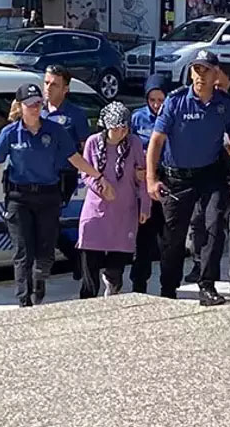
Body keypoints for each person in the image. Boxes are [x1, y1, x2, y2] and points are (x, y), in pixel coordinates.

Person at [0, 84, 114, 308]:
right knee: (23, 252)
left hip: (48, 196)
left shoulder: (54, 131)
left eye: (38, 104)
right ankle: (24, 301)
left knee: (46, 250)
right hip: (18, 197)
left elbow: (75, 159)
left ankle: (39, 279)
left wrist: (99, 177)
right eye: (30, 105)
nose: (34, 109)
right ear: (20, 107)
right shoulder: (10, 133)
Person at [145, 50, 230, 306]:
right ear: (190, 73)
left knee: (214, 227)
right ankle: (168, 287)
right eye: (196, 70)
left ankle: (207, 285)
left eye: (206, 70)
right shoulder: (175, 101)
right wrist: (151, 178)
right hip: (177, 177)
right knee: (174, 237)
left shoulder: (226, 105)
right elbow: (156, 142)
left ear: (216, 74)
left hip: (210, 174)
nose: (200, 76)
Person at [77, 102, 150, 298]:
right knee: (90, 255)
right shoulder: (93, 142)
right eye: (117, 127)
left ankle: (113, 284)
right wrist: (101, 187)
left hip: (124, 208)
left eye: (125, 127)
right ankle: (87, 299)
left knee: (118, 260)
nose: (121, 131)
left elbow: (143, 175)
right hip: (97, 208)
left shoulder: (133, 143)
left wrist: (145, 205)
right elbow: (85, 172)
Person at [186, 66, 230, 284]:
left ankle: (213, 270)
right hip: (206, 171)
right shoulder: (200, 104)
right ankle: (199, 264)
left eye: (219, 82)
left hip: (228, 173)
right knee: (198, 221)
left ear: (229, 81)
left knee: (218, 223)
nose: (215, 85)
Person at [42, 64, 91, 281]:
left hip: (63, 175)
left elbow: (84, 147)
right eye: (46, 83)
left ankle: (65, 259)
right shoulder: (36, 109)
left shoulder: (75, 115)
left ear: (65, 89)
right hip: (38, 175)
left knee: (49, 219)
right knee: (44, 221)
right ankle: (74, 257)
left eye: (54, 85)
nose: (48, 89)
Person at [129, 74, 168, 293]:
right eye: (152, 100)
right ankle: (139, 284)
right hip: (143, 183)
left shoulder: (173, 116)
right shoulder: (137, 118)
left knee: (167, 239)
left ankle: (168, 284)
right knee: (143, 238)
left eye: (160, 100)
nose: (156, 105)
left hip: (167, 180)